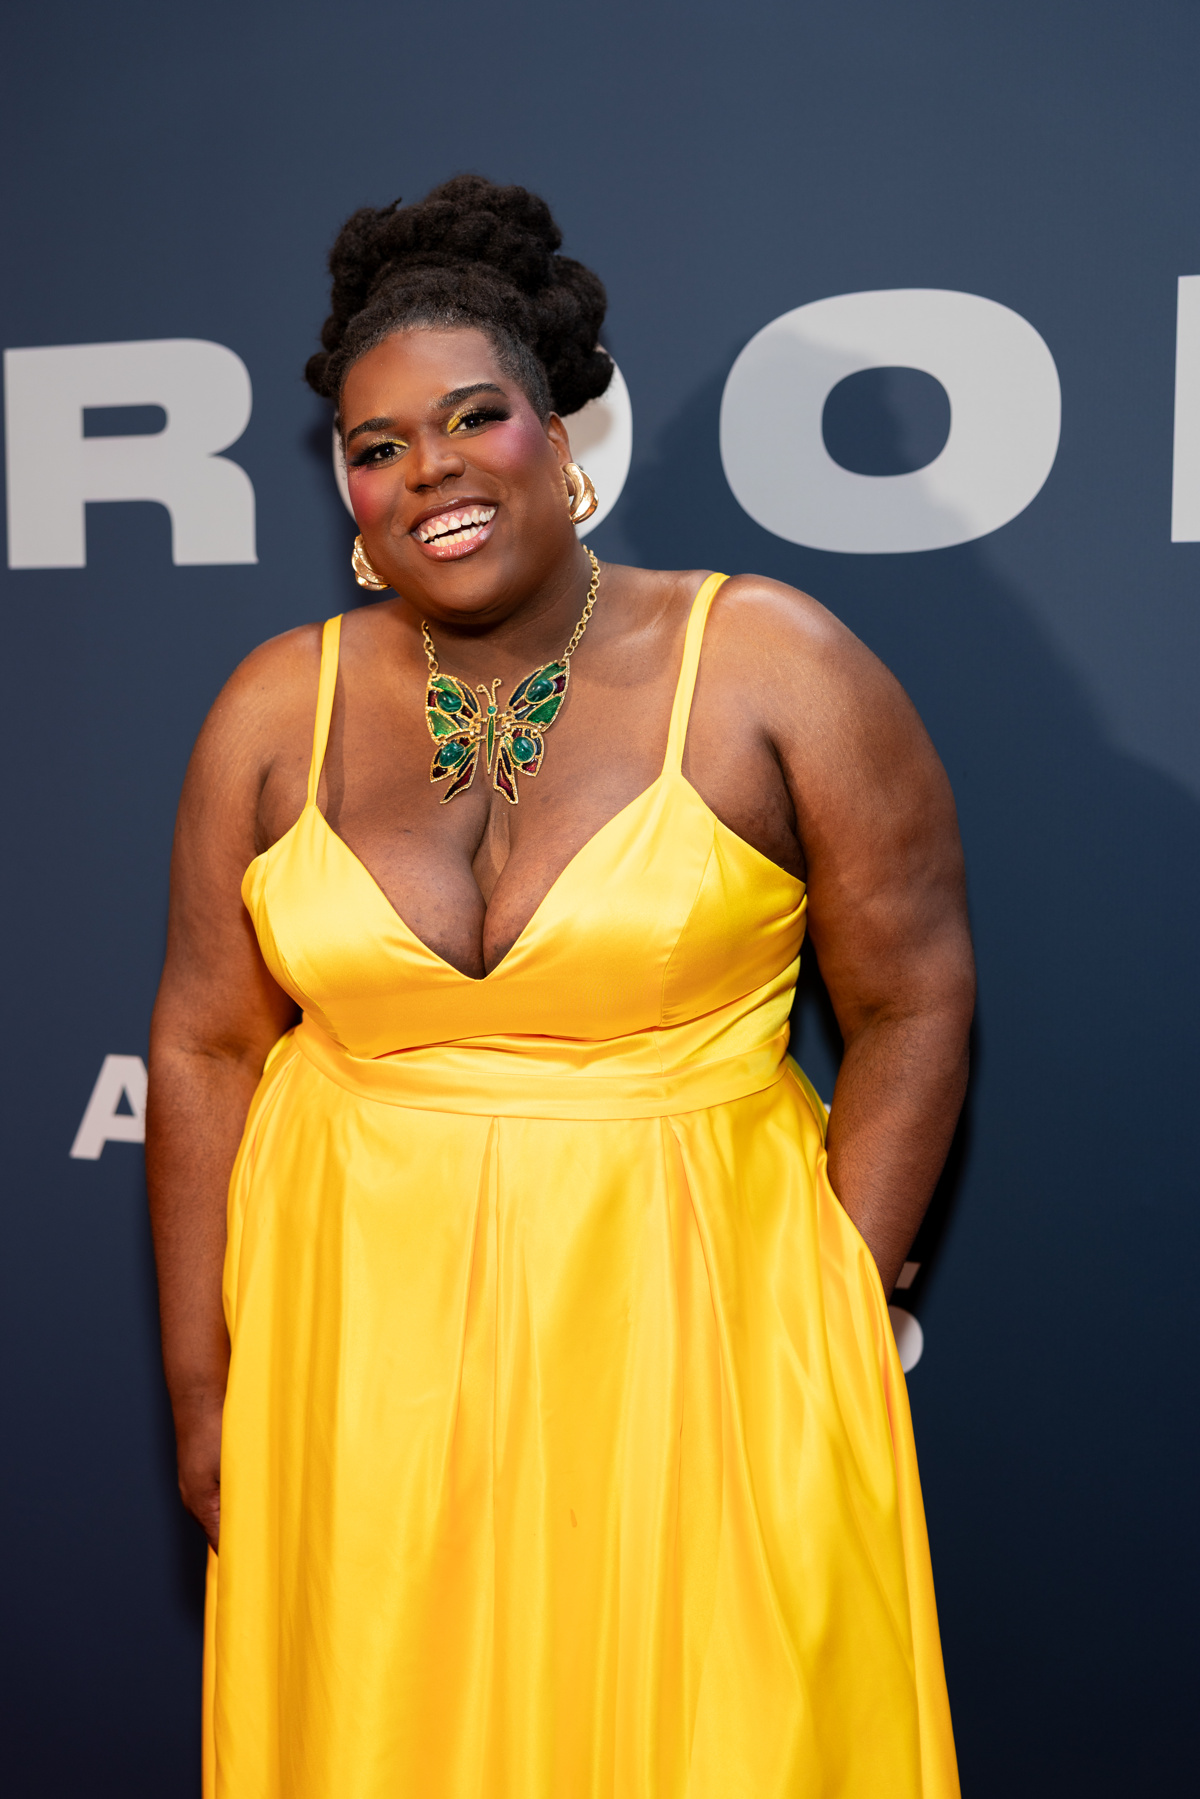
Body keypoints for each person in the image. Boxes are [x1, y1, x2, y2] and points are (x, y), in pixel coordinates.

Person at [147, 174, 974, 1799]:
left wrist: (828, 1300)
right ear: (348, 489)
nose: (431, 470)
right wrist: (205, 1382)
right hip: (356, 1363)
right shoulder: (270, 707)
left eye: (475, 417)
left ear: (561, 435)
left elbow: (916, 997)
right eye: (379, 446)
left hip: (689, 1342)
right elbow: (204, 1045)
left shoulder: (772, 663)